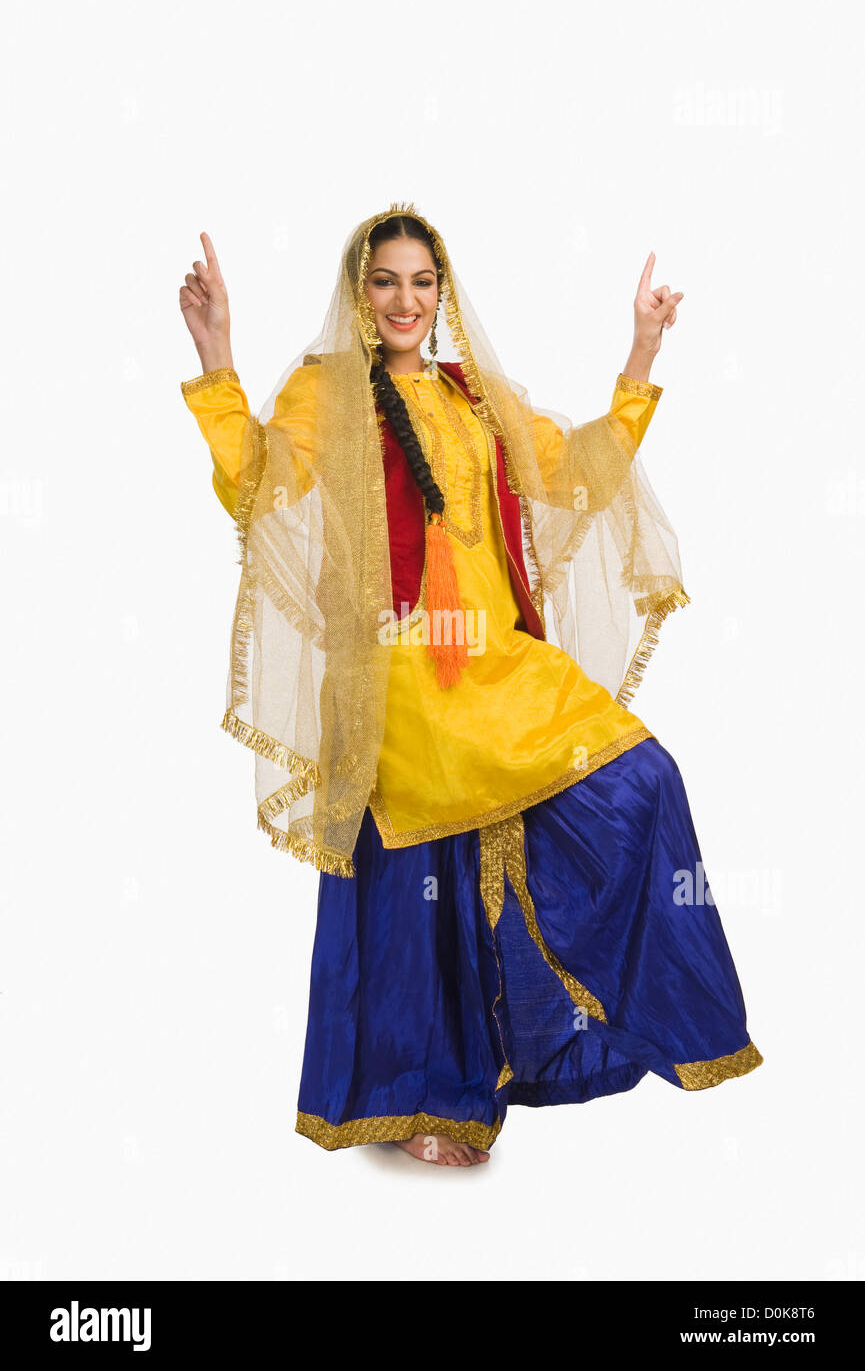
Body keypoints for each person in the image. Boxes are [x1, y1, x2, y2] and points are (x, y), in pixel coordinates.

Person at [178, 203, 762, 1168]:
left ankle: (593, 1026)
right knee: (423, 893)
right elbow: (256, 483)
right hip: (400, 684)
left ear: (440, 293)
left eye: (420, 281)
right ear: (358, 294)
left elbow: (575, 478)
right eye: (384, 281)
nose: (404, 299)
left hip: (497, 666)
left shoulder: (476, 398)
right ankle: (427, 1099)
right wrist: (217, 358)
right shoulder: (328, 396)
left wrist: (641, 355)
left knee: (643, 779)